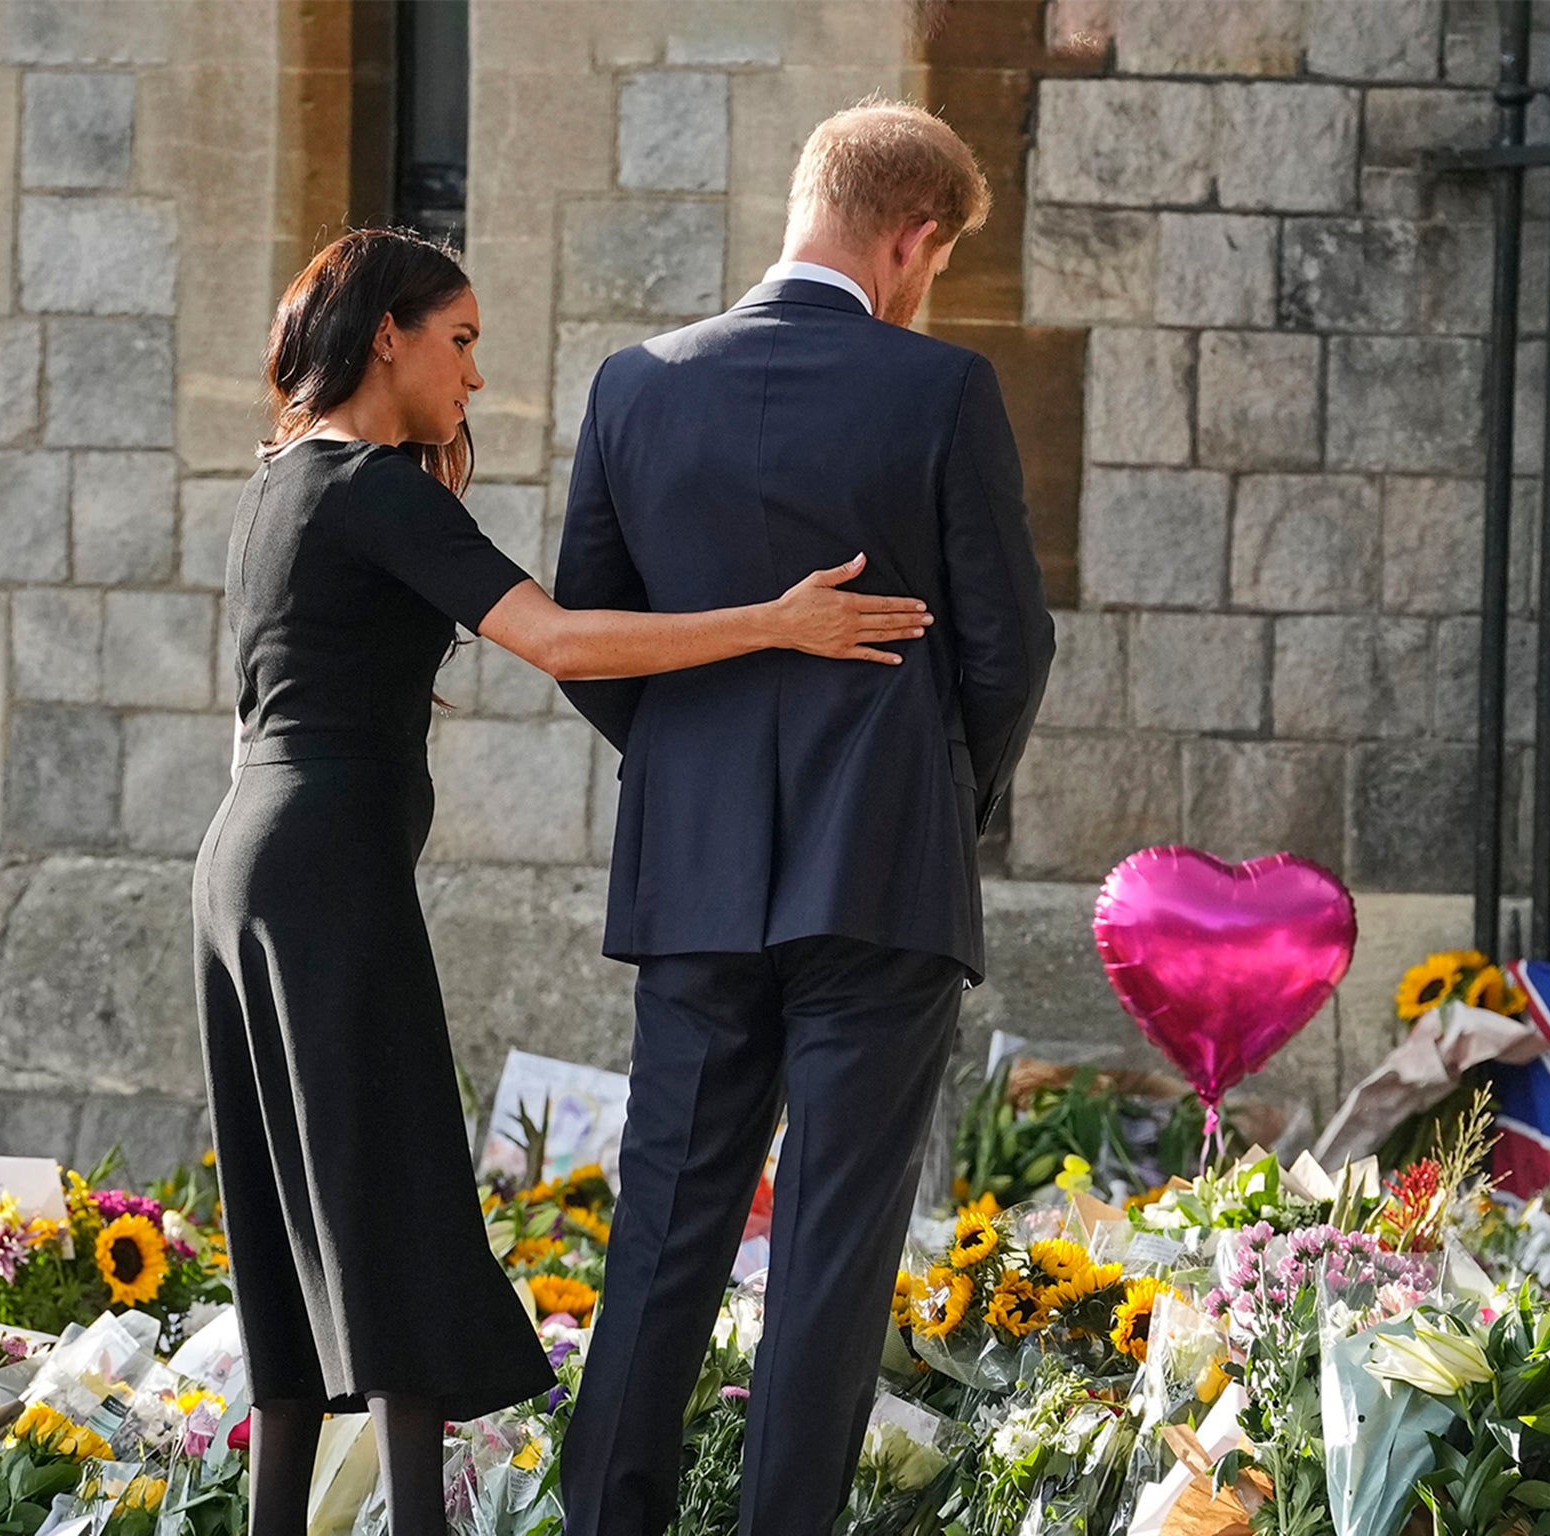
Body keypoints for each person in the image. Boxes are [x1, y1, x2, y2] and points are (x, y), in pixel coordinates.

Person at [191, 226, 934, 1536]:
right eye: (461, 342)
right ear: (391, 338)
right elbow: (562, 640)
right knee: (394, 1188)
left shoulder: (277, 483)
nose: (475, 379)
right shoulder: (374, 487)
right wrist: (775, 620)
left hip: (243, 861)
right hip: (322, 872)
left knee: (291, 1209)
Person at [554, 100, 1056, 1536]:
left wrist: (692, 774)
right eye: (933, 263)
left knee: (663, 1235)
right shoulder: (939, 391)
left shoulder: (635, 386)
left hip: (693, 879)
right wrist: (932, 801)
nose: (924, 292)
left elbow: (594, 631)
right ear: (911, 237)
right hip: (879, 879)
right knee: (833, 1246)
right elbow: (1008, 650)